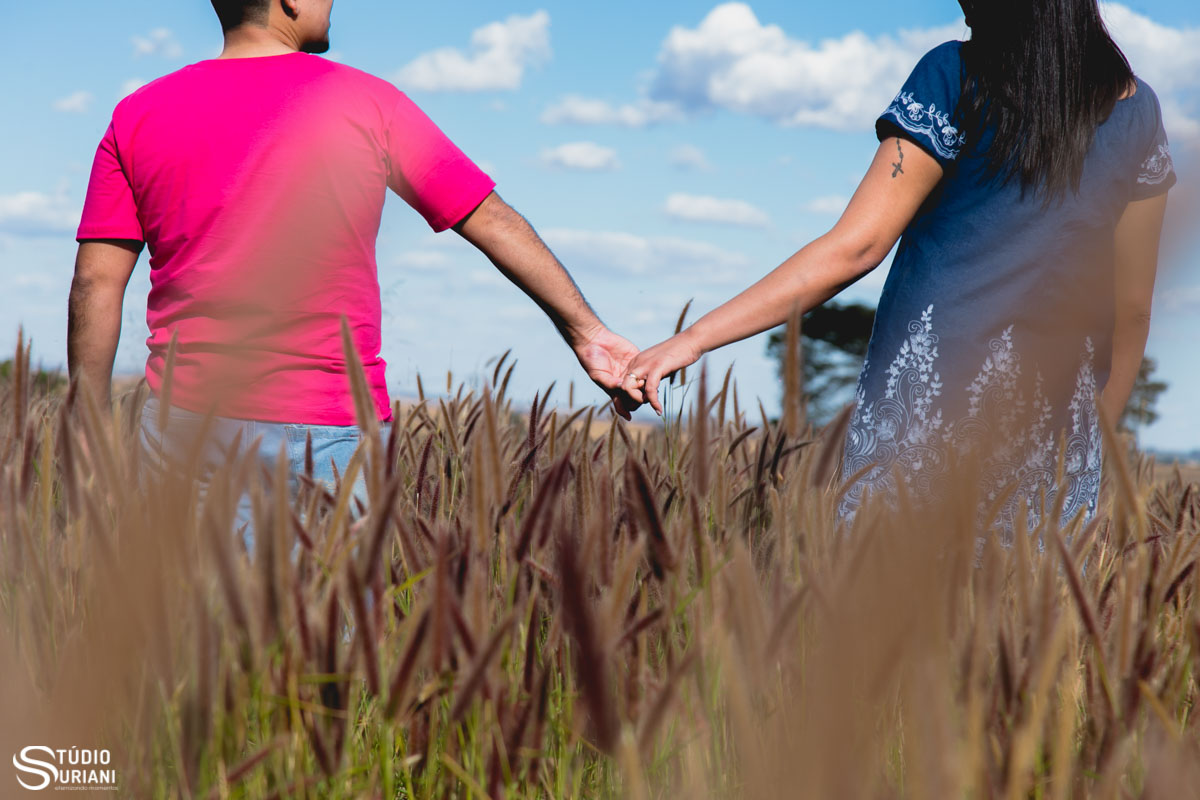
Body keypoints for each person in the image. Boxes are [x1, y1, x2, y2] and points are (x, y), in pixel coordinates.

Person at [69, 0, 640, 538]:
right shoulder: (368, 103)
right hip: (327, 430)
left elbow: (96, 282)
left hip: (184, 427)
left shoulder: (139, 113)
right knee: (326, 639)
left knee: (187, 633)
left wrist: (87, 424)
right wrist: (587, 334)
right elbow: (487, 219)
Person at [624, 0, 1175, 537]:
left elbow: (856, 248)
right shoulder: (1139, 112)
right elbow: (1133, 307)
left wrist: (694, 339)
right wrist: (1093, 436)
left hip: (924, 413)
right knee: (1020, 627)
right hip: (1059, 431)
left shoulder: (954, 75)